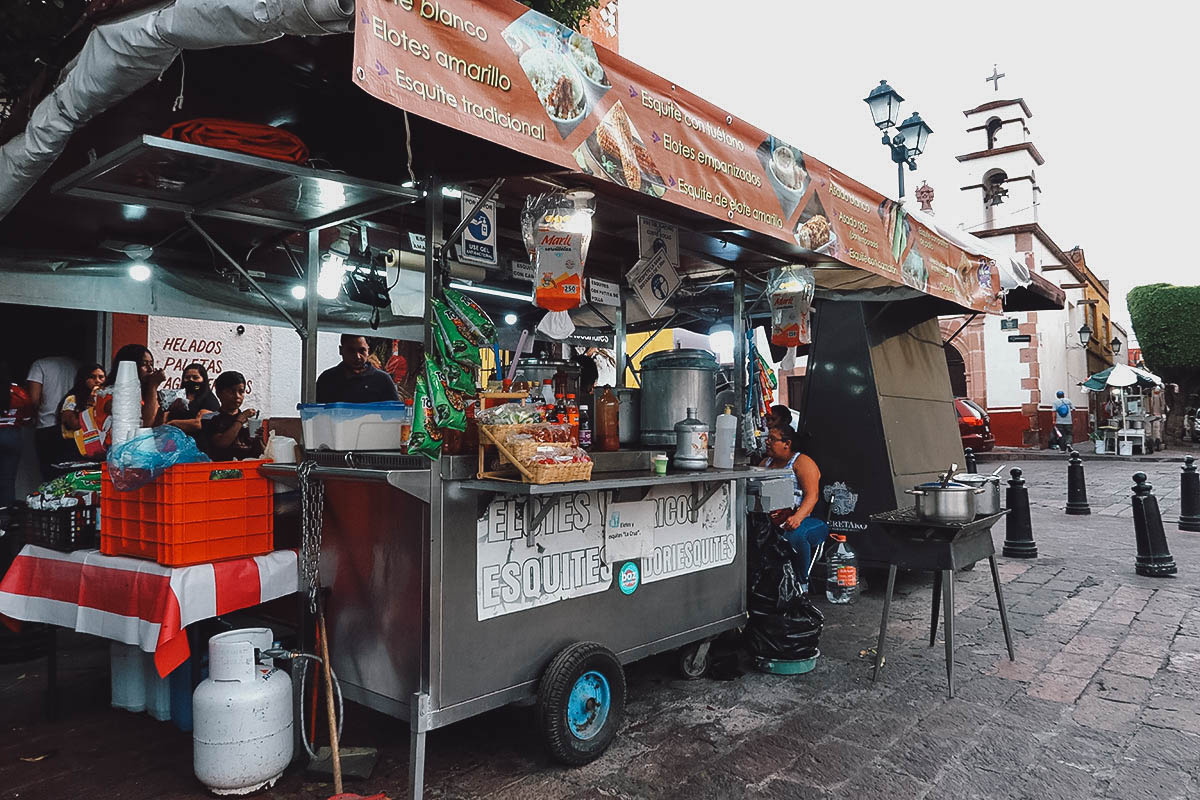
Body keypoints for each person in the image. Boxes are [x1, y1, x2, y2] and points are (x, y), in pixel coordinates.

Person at [761, 425, 827, 591]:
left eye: (772, 439)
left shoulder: (802, 462)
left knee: (796, 535)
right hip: (774, 520)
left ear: (787, 443)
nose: (767, 442)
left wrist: (798, 518)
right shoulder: (765, 463)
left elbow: (812, 495)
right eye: (767, 438)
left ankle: (800, 584)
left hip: (808, 521)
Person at [26, 354, 78, 477]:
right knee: (71, 473)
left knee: (49, 473)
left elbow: (34, 399)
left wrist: (31, 418)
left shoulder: (40, 365)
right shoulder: (77, 364)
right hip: (72, 428)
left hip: (47, 424)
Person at [199, 371, 265, 461]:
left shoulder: (250, 420)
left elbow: (262, 453)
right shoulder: (210, 418)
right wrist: (240, 420)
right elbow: (221, 443)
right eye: (231, 391)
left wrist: (259, 439)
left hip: (248, 469)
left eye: (241, 392)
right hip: (221, 471)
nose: (237, 396)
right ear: (218, 393)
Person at [316, 335, 400, 403]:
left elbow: (394, 415)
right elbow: (316, 414)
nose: (357, 356)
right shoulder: (327, 379)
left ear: (368, 351)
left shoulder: (382, 380)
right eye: (351, 350)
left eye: (362, 350)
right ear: (341, 350)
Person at [102, 344, 167, 429]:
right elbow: (144, 424)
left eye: (151, 364)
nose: (150, 369)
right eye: (144, 364)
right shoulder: (110, 395)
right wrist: (153, 386)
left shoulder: (142, 396)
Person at [0, 361, 35, 510]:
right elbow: (27, 419)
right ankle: (6, 513)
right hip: (12, 436)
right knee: (8, 478)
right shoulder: (20, 393)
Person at [59, 363, 106, 459]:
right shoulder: (72, 399)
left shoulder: (105, 400)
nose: (97, 381)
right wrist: (90, 404)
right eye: (92, 377)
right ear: (83, 380)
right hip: (75, 448)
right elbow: (74, 425)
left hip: (97, 448)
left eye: (101, 377)